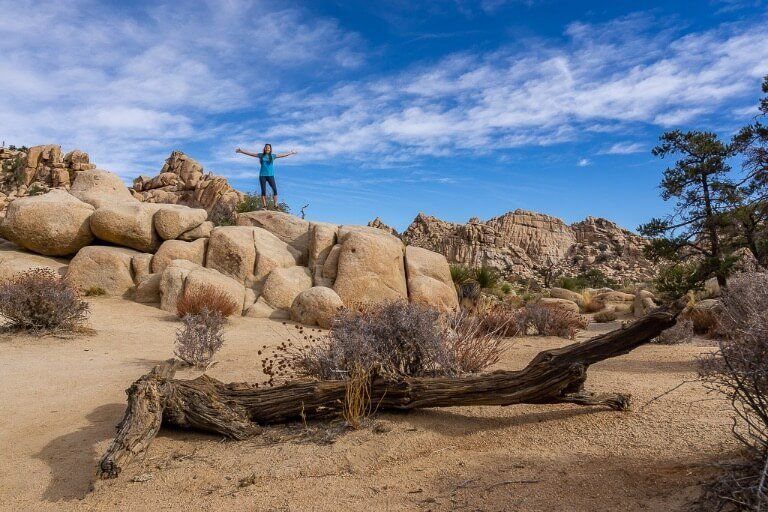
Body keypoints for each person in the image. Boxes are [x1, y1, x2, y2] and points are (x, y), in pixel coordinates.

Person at [235, 144, 297, 208]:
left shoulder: (273, 156)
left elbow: (283, 155)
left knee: (275, 190)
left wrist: (291, 153)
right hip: (262, 175)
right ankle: (265, 206)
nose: (267, 149)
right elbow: (251, 154)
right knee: (263, 190)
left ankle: (275, 205)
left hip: (270, 175)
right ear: (264, 148)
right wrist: (241, 151)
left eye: (269, 148)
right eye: (266, 147)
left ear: (270, 149)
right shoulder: (261, 155)